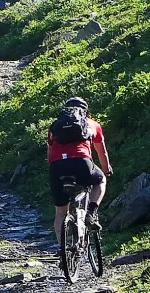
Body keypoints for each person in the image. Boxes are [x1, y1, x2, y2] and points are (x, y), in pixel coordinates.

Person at [46, 97, 111, 238]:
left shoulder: (55, 126)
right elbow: (101, 152)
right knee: (100, 180)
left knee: (61, 213)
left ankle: (62, 252)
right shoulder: (92, 124)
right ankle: (91, 213)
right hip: (82, 163)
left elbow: (49, 154)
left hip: (57, 166)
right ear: (86, 111)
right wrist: (106, 170)